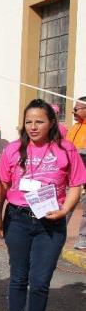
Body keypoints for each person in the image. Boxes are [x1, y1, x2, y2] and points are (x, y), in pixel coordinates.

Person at [0, 99, 85, 311]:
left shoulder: (66, 149)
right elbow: (3, 185)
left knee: (41, 280)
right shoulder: (13, 150)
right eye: (29, 121)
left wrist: (66, 210)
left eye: (39, 121)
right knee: (19, 276)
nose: (33, 126)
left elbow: (76, 184)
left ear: (52, 123)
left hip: (51, 221)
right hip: (18, 218)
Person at [66, 96, 86, 249]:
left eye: (76, 108)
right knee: (64, 206)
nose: (73, 111)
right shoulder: (74, 128)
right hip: (70, 176)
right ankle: (53, 233)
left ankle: (84, 238)